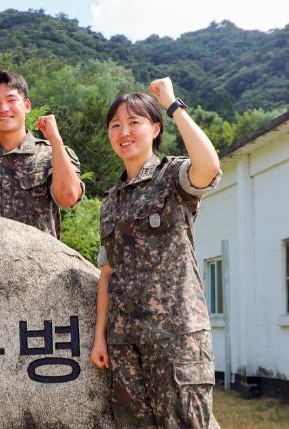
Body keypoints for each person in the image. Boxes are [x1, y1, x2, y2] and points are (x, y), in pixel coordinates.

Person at [89, 77, 221, 428]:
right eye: (115, 125)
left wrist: (173, 104)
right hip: (125, 344)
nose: (124, 132)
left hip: (176, 340)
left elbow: (208, 167)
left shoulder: (172, 177)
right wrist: (100, 336)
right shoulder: (111, 201)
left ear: (155, 128)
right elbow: (107, 272)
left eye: (134, 122)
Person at [0, 70, 84, 239]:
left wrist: (56, 140)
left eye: (11, 100)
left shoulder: (52, 154)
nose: (3, 109)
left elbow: (68, 198)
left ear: (27, 105)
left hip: (41, 262)